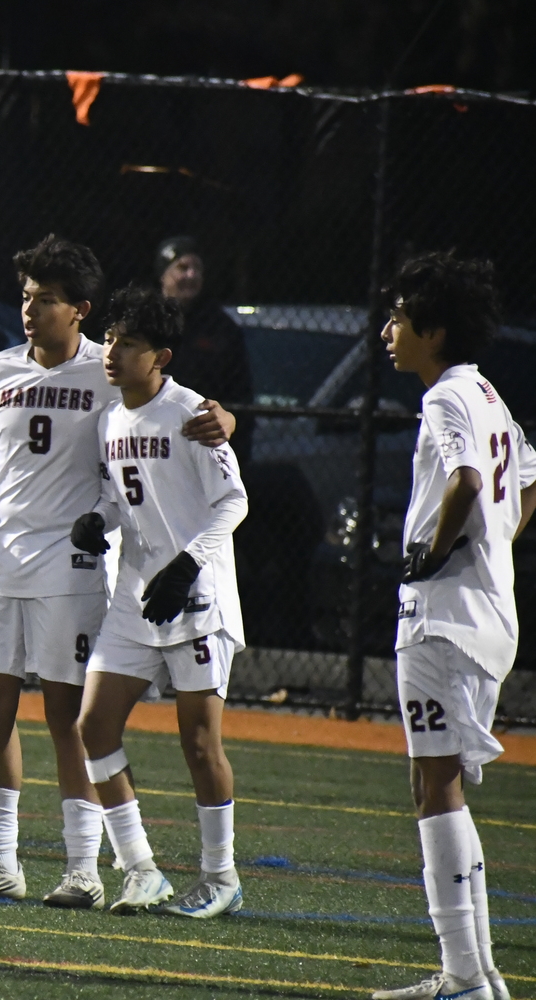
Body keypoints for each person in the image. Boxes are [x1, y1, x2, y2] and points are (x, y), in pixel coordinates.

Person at [0, 237, 236, 904]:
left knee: (66, 715)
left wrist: (224, 416)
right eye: (25, 296)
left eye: (45, 299)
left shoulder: (109, 368)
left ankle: (83, 867)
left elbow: (175, 407)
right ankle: (0, 861)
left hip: (73, 565)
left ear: (80, 309)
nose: (30, 309)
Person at [366, 253, 528, 1000]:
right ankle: (477, 975)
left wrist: (435, 553)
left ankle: (464, 977)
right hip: (487, 613)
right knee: (435, 782)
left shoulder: (445, 397)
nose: (387, 331)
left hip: (445, 619)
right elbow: (528, 478)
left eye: (399, 318)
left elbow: (465, 481)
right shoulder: (488, 393)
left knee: (435, 788)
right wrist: (494, 545)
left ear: (433, 330)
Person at [71, 285, 248, 918]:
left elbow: (234, 501)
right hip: (135, 594)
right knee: (93, 726)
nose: (112, 352)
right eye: (110, 339)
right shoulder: (110, 419)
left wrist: (187, 565)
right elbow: (121, 497)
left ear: (161, 356)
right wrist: (98, 519)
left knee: (199, 742)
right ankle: (141, 869)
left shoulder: (192, 413)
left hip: (195, 596)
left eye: (129, 344)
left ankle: (221, 877)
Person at [155, 236, 254, 465]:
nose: (191, 275)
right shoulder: (145, 323)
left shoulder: (221, 328)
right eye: (182, 268)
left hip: (204, 447)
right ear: (163, 274)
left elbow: (241, 393)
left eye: (197, 269)